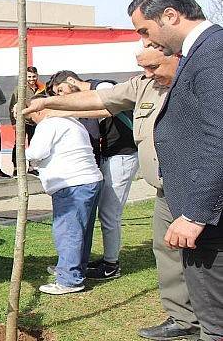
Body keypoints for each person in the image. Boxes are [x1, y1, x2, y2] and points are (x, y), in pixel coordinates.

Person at [23, 47, 199, 340]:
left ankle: (108, 266)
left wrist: (49, 106)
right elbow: (101, 106)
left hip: (178, 178)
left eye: (153, 66)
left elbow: (101, 99)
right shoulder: (141, 86)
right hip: (156, 183)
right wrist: (50, 104)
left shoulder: (186, 81)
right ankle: (182, 316)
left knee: (109, 217)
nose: (147, 74)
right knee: (163, 249)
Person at [128, 0, 223, 341]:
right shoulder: (202, 52)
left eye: (145, 30)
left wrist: (195, 214)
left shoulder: (213, 53)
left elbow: (219, 137)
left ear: (170, 16)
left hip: (208, 219)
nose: (145, 40)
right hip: (202, 214)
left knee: (216, 324)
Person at [46, 70, 139, 281]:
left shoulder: (103, 87)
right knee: (104, 213)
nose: (63, 97)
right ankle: (107, 259)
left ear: (71, 81)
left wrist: (62, 112)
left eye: (61, 91)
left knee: (109, 213)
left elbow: (107, 110)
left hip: (122, 155)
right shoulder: (92, 93)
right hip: (110, 154)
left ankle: (111, 265)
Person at [24, 94, 103, 295]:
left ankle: (69, 279)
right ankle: (73, 268)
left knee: (68, 231)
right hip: (87, 180)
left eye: (30, 115)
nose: (30, 119)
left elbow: (35, 153)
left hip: (72, 184)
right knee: (81, 230)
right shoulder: (72, 121)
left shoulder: (48, 124)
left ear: (39, 109)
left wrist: (27, 156)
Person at [9, 66, 42, 177]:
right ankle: (16, 168)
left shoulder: (42, 88)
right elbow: (12, 106)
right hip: (22, 122)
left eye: (33, 76)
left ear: (37, 76)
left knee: (35, 144)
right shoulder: (20, 89)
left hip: (36, 122)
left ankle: (32, 167)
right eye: (29, 76)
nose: (32, 79)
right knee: (19, 145)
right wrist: (14, 122)